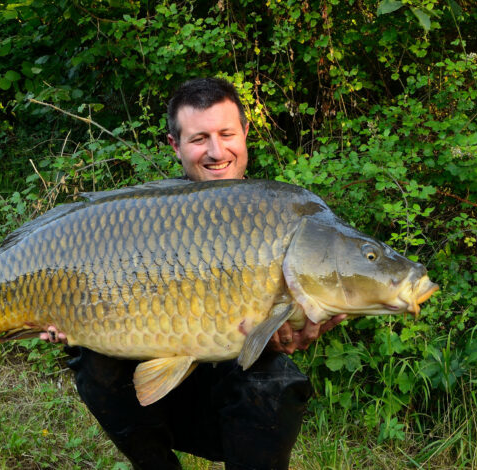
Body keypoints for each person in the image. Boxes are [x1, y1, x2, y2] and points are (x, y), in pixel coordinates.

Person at [41, 78, 346, 469]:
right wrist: (66, 320)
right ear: (176, 146)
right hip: (153, 396)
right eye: (199, 138)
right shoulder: (145, 213)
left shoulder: (277, 213)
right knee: (91, 357)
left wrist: (273, 339)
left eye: (226, 133)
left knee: (277, 383)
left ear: (245, 133)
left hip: (226, 401)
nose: (217, 151)